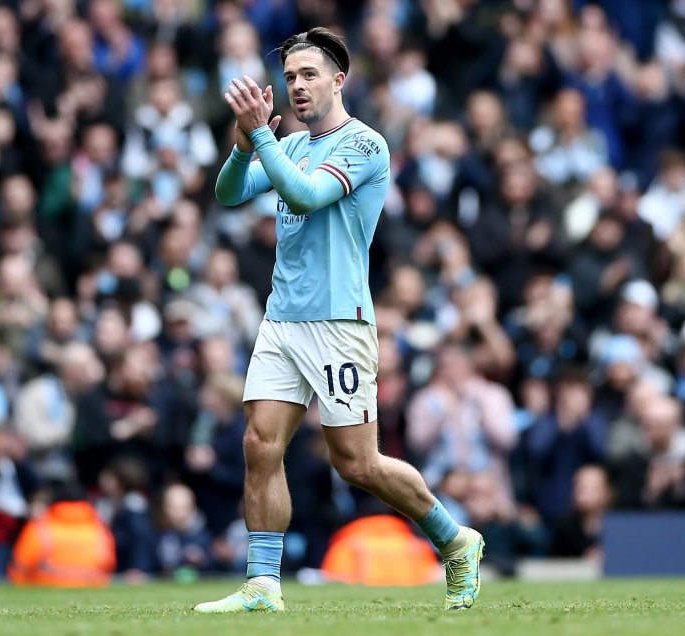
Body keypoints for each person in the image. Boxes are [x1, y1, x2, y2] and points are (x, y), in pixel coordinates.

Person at [194, 28, 484, 614]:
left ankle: (456, 540)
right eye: (290, 77)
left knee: (356, 463)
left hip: (338, 323)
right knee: (259, 444)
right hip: (282, 319)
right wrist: (244, 145)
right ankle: (263, 585)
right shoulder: (290, 145)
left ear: (337, 80)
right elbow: (227, 194)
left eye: (308, 75)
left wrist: (261, 139)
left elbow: (302, 197)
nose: (297, 86)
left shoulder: (365, 146)